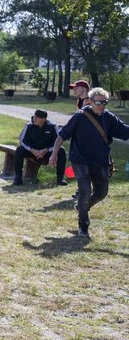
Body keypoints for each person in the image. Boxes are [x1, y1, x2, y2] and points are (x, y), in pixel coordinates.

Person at [49, 87, 129, 238]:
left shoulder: (109, 117)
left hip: (100, 161)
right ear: (90, 101)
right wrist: (54, 155)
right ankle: (83, 225)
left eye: (104, 102)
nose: (101, 105)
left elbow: (125, 131)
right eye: (98, 102)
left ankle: (82, 207)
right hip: (80, 160)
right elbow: (62, 136)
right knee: (85, 190)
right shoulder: (80, 116)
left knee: (101, 193)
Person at [13, 109, 67, 186]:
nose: (34, 119)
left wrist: (46, 150)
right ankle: (18, 177)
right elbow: (22, 140)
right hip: (32, 151)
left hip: (47, 152)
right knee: (19, 150)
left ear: (44, 119)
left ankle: (60, 179)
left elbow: (57, 142)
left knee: (61, 150)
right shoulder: (29, 125)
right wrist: (32, 150)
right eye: (35, 116)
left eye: (37, 117)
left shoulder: (52, 126)